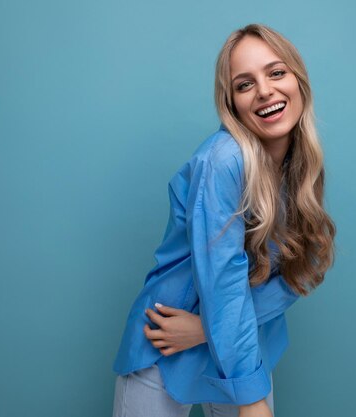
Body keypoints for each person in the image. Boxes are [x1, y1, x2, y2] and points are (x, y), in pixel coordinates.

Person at [112, 23, 335, 417]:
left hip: (237, 342)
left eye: (276, 72)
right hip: (167, 343)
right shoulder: (222, 162)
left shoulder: (303, 163)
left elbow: (303, 268)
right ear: (231, 102)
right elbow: (223, 280)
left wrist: (203, 329)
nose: (265, 90)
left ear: (299, 81)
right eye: (244, 84)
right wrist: (250, 401)